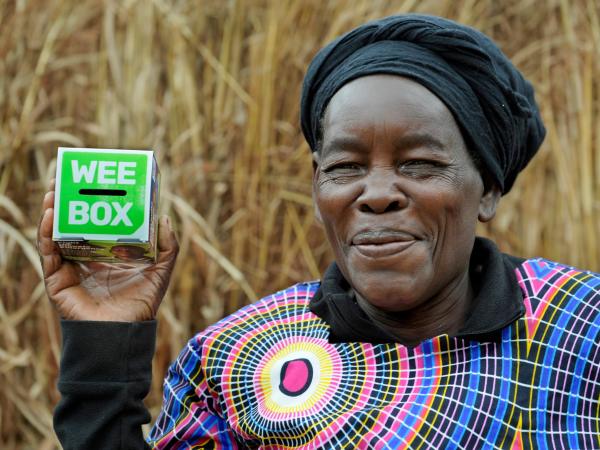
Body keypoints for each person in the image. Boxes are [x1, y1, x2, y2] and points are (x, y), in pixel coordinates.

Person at [38, 14, 599, 449]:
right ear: (316, 189)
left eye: (421, 164)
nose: (377, 193)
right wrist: (104, 347)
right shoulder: (238, 360)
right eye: (345, 168)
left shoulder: (581, 333)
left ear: (489, 189)